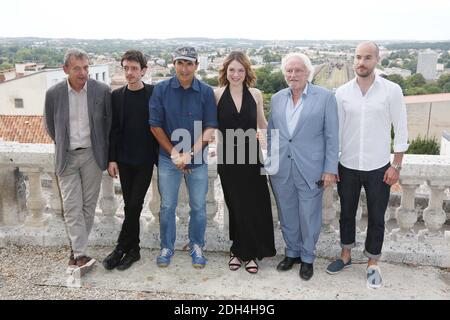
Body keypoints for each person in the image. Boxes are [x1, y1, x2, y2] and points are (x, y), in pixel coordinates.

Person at [326, 42, 408, 289]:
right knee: (346, 214)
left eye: (368, 57)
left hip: (379, 167)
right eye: (358, 57)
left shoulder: (391, 90)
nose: (362, 62)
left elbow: (401, 129)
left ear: (377, 59)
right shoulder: (341, 92)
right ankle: (346, 256)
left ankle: (373, 263)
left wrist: (396, 166)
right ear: (353, 60)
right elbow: (334, 132)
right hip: (347, 165)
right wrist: (332, 164)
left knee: (376, 217)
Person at [267, 52, 339, 280]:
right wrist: (271, 162)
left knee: (309, 216)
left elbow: (332, 136)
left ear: (308, 73)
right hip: (281, 169)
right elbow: (272, 134)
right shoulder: (278, 98)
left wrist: (330, 169)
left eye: (298, 70)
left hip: (311, 170)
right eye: (289, 70)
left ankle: (307, 258)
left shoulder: (325, 97)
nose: (293, 74)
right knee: (287, 214)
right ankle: (292, 253)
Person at [44, 48, 112, 275]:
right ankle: (80, 254)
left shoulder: (101, 91)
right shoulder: (53, 94)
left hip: (93, 155)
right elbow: (51, 127)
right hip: (67, 156)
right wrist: (65, 143)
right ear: (65, 70)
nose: (83, 73)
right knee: (72, 207)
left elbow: (108, 125)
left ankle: (76, 251)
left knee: (88, 206)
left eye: (86, 68)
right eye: (77, 69)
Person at [149, 46, 217, 269]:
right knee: (167, 205)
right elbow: (155, 126)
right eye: (180, 63)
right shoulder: (161, 90)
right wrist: (176, 154)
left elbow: (209, 128)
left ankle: (197, 245)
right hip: (169, 158)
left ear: (196, 65)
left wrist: (190, 154)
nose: (184, 68)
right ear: (174, 64)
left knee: (198, 206)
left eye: (189, 63)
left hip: (196, 159)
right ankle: (166, 247)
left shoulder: (206, 92)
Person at [214, 51, 276, 274]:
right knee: (236, 205)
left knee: (254, 205)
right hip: (228, 159)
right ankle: (238, 250)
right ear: (226, 71)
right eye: (232, 70)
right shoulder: (217, 94)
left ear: (246, 71)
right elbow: (210, 127)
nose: (236, 74)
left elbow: (263, 125)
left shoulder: (256, 94)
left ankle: (248, 253)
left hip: (252, 157)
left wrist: (278, 150)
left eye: (240, 70)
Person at [102, 50, 159, 271]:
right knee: (129, 206)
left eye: (134, 68)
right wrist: (112, 159)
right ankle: (132, 250)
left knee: (134, 204)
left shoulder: (153, 93)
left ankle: (120, 249)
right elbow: (113, 131)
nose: (129, 72)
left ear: (144, 70)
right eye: (126, 68)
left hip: (145, 159)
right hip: (124, 160)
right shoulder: (117, 96)